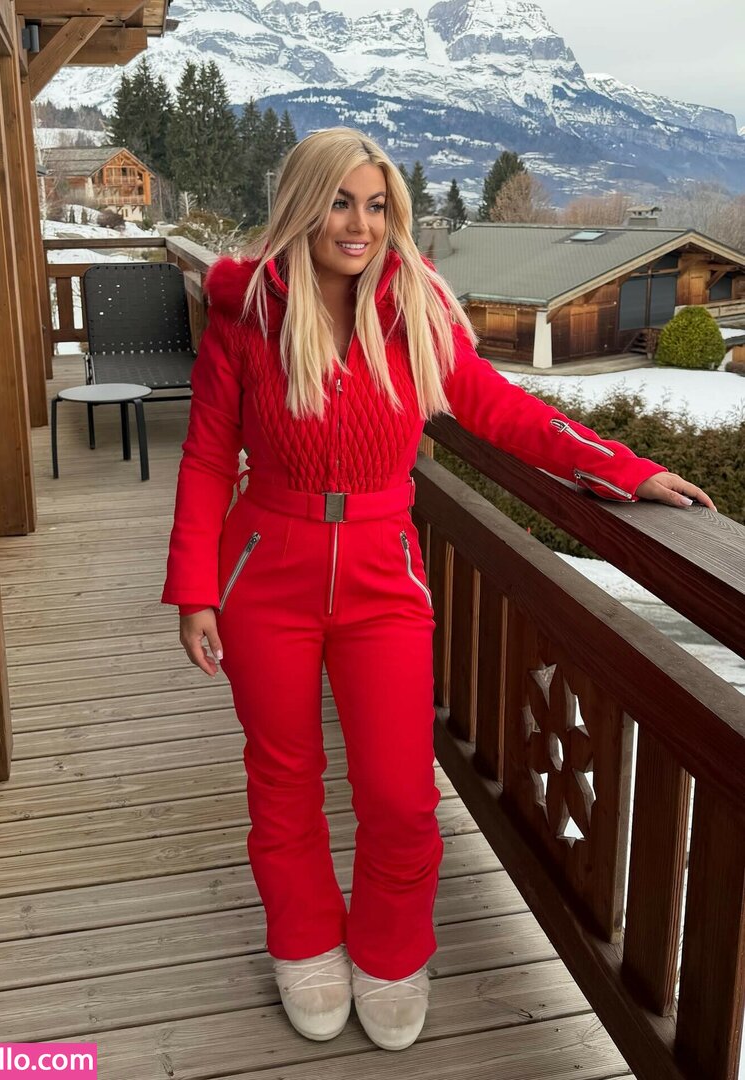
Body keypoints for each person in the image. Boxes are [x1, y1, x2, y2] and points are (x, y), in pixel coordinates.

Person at [161, 126, 715, 1052]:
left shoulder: (413, 307)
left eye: (377, 206)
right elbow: (210, 454)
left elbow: (500, 406)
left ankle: (390, 953)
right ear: (302, 207)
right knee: (284, 779)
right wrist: (195, 589)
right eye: (341, 202)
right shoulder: (248, 311)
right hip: (265, 569)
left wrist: (623, 468)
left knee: (400, 794)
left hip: (383, 571)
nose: (360, 224)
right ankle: (304, 944)